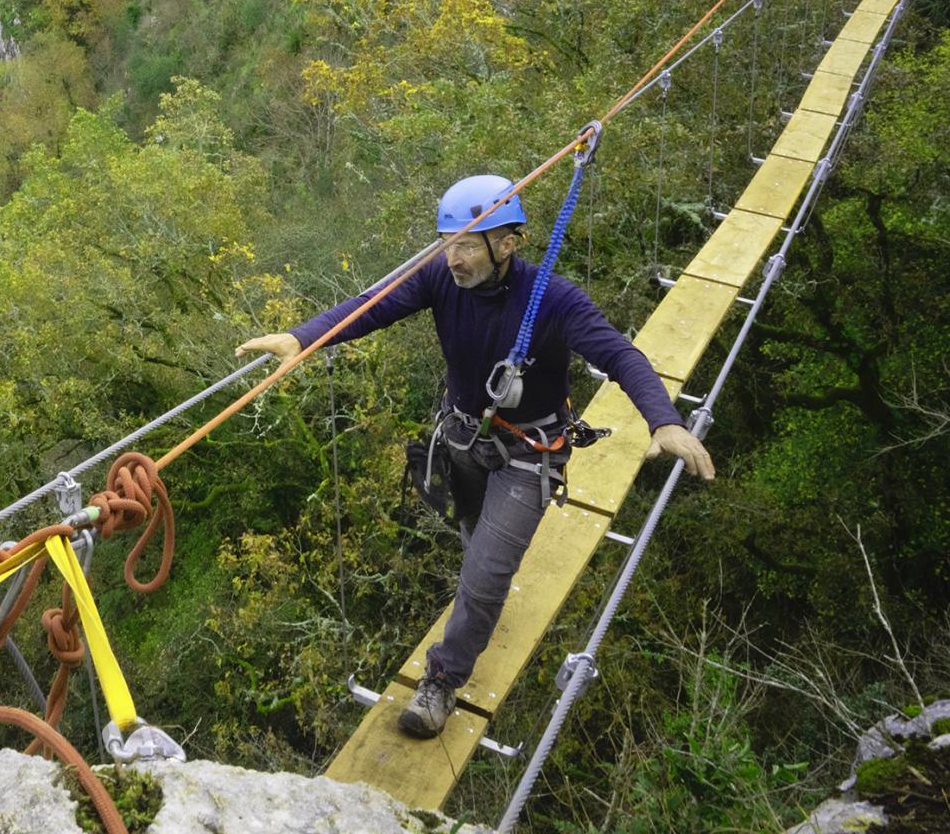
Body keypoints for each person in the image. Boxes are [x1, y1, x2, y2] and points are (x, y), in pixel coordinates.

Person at [235, 173, 715, 739]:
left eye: (464, 245)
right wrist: (303, 338)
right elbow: (374, 305)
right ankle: (477, 612)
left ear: (506, 245)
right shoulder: (441, 278)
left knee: (485, 573)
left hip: (528, 455)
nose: (452, 257)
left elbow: (620, 355)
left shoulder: (554, 301)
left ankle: (442, 678)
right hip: (463, 441)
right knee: (471, 543)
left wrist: (664, 420)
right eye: (446, 243)